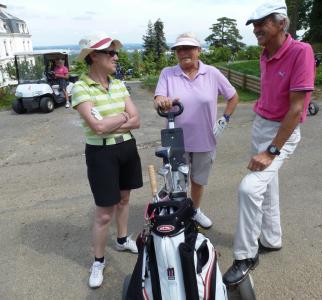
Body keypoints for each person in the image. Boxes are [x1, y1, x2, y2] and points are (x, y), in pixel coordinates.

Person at [223, 0, 315, 285]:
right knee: (268, 186)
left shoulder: (301, 51)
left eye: (262, 23)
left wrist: (272, 150)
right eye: (254, 24)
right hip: (261, 125)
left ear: (282, 23)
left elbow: (296, 108)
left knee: (250, 188)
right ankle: (272, 239)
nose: (256, 29)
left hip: (281, 134)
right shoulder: (265, 53)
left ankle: (246, 255)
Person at [71, 32, 143, 288]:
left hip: (126, 149)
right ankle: (98, 261)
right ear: (93, 56)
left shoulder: (118, 83)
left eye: (115, 52)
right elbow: (97, 127)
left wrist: (114, 122)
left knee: (124, 199)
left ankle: (122, 240)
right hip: (101, 154)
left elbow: (137, 119)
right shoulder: (80, 87)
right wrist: (123, 118)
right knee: (104, 214)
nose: (115, 56)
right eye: (110, 53)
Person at [154, 32, 239, 229]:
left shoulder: (212, 73)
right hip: (176, 139)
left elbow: (233, 97)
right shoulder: (168, 73)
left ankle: (195, 210)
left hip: (205, 138)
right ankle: (180, 211)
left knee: (198, 180)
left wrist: (224, 120)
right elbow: (158, 98)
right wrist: (162, 101)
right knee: (177, 180)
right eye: (179, 49)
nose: (183, 52)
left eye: (188, 48)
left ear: (198, 51)